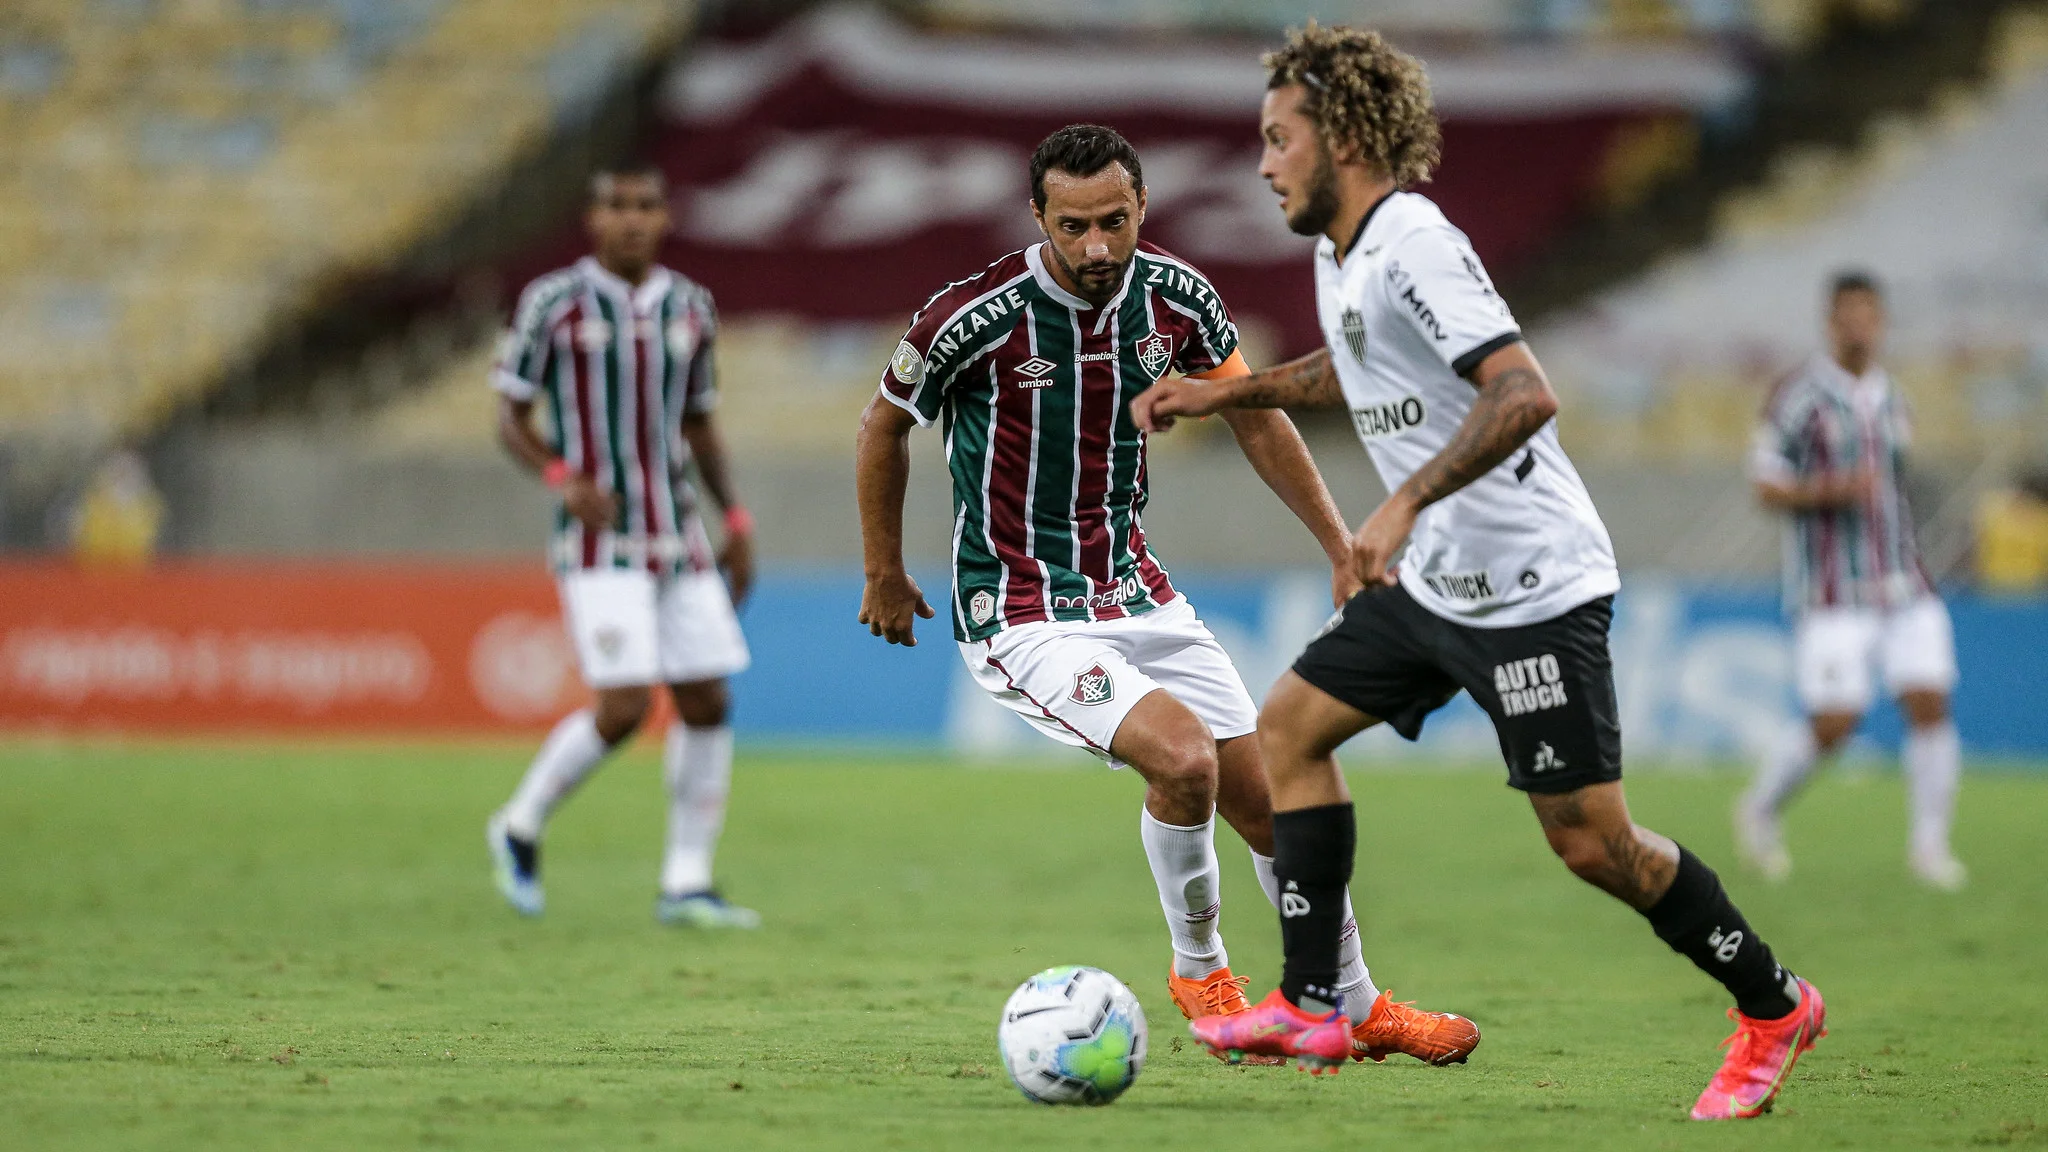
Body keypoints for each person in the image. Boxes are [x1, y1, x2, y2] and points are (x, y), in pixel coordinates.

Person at [1138, 25, 1824, 1118]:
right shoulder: (1341, 254)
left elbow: (1521, 391)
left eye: (1279, 139)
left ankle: (1773, 1005)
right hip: (1435, 582)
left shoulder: (1412, 240)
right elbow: (1358, 369)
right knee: (1287, 733)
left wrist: (1399, 503)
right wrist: (1230, 393)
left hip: (1533, 591)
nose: (1262, 163)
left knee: (1591, 845)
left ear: (1346, 136)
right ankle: (1316, 996)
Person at [855, 123, 1477, 1065]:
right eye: (1074, 227)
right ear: (1038, 217)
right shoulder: (971, 316)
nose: (1098, 246)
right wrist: (883, 571)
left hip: (1140, 594)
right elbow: (881, 427)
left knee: (1273, 803)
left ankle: (1356, 1001)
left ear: (1142, 205)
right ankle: (1204, 974)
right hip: (1021, 610)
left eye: (1115, 221)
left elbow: (1255, 418)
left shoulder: (1178, 298)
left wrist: (1339, 543)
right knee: (1185, 763)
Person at [484, 165, 761, 929]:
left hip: (680, 531)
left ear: (665, 216)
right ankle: (519, 824)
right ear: (593, 216)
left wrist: (734, 517)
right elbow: (510, 412)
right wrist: (559, 474)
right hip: (599, 538)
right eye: (616, 206)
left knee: (708, 697)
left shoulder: (690, 306)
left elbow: (699, 420)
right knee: (627, 704)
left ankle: (687, 881)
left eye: (645, 206)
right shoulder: (554, 301)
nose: (631, 220)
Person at [1736, 272, 1965, 890]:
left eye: (1871, 315)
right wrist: (1828, 490)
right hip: (1833, 589)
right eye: (1849, 316)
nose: (1861, 327)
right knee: (1836, 721)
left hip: (1904, 579)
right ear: (1830, 322)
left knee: (1930, 702)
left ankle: (1930, 847)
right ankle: (1759, 809)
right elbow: (1764, 482)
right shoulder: (1799, 395)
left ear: (1882, 322)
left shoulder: (1894, 396)